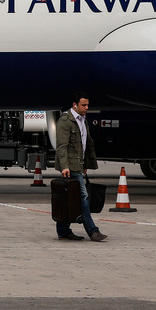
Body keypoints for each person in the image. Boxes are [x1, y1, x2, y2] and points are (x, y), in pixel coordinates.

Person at [55, 92, 108, 242]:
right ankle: (93, 231)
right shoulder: (65, 121)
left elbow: (84, 144)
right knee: (83, 197)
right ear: (74, 105)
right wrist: (64, 166)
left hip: (78, 165)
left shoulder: (82, 120)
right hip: (70, 166)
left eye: (87, 105)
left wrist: (84, 164)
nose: (86, 108)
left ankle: (63, 230)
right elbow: (62, 146)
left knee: (68, 198)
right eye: (83, 105)